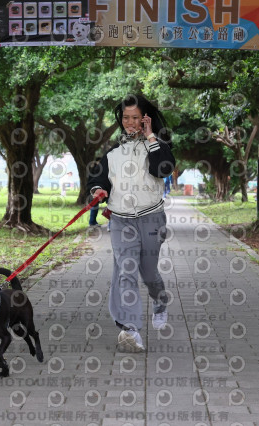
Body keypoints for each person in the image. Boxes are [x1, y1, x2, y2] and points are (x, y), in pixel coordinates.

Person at [86, 94, 175, 352]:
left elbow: (163, 169)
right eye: (126, 118)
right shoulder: (113, 153)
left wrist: (150, 137)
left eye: (135, 117)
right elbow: (98, 179)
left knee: (149, 273)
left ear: (145, 118)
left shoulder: (157, 145)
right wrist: (98, 190)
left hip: (151, 217)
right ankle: (130, 328)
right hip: (121, 220)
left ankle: (160, 301)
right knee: (125, 271)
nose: (130, 122)